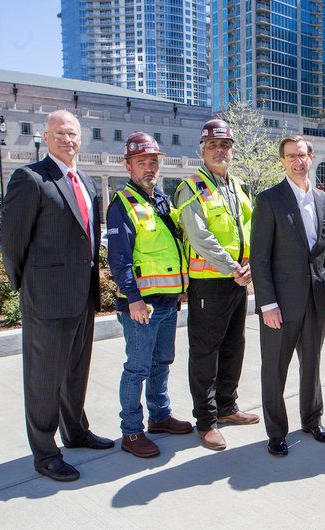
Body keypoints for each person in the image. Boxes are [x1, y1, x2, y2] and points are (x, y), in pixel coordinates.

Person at [0, 110, 112, 482]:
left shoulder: (88, 182)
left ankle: (76, 431)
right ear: (46, 138)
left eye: (73, 133)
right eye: (60, 133)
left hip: (82, 297)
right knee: (44, 379)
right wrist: (26, 287)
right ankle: (45, 453)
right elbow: (12, 242)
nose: (68, 140)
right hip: (46, 299)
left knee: (76, 372)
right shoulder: (30, 178)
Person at [250, 136, 325, 457]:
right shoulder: (269, 200)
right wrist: (267, 304)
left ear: (310, 157)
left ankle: (312, 420)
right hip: (281, 305)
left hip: (317, 300)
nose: (297, 161)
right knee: (275, 369)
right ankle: (276, 432)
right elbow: (259, 258)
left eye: (302, 155)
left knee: (312, 365)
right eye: (291, 157)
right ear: (283, 162)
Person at [106, 132, 193, 458]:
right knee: (138, 368)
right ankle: (131, 432)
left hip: (168, 301)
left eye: (153, 162)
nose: (149, 167)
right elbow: (119, 259)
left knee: (161, 363)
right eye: (142, 162)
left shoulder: (162, 202)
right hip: (142, 304)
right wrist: (133, 299)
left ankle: (160, 416)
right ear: (128, 166)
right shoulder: (123, 205)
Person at [174, 119, 259, 451]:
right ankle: (206, 421)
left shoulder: (237, 185)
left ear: (232, 150)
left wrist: (251, 263)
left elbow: (250, 227)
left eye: (225, 145)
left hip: (238, 282)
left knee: (233, 347)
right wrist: (233, 266)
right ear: (202, 151)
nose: (220, 151)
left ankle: (227, 407)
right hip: (210, 283)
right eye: (213, 146)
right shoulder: (191, 187)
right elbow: (200, 237)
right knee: (205, 353)